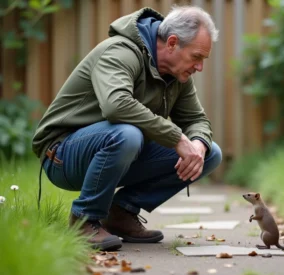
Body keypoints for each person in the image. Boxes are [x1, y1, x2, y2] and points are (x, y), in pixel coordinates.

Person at [32, 5, 222, 251]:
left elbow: (197, 119)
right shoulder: (120, 52)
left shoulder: (177, 76)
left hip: (118, 148)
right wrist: (176, 137)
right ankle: (84, 219)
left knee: (210, 153)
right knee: (127, 134)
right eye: (197, 57)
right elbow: (116, 106)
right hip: (62, 154)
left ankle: (121, 213)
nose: (199, 67)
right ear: (172, 43)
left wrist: (197, 143)